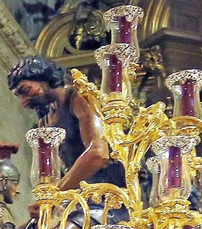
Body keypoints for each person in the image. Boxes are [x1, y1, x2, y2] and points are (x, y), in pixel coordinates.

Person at [7, 56, 125, 198]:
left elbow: (98, 153)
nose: (24, 102)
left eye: (26, 90)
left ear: (44, 78)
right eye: (20, 96)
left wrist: (56, 195)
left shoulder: (78, 98)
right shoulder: (45, 123)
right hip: (77, 194)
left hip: (108, 191)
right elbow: (51, 175)